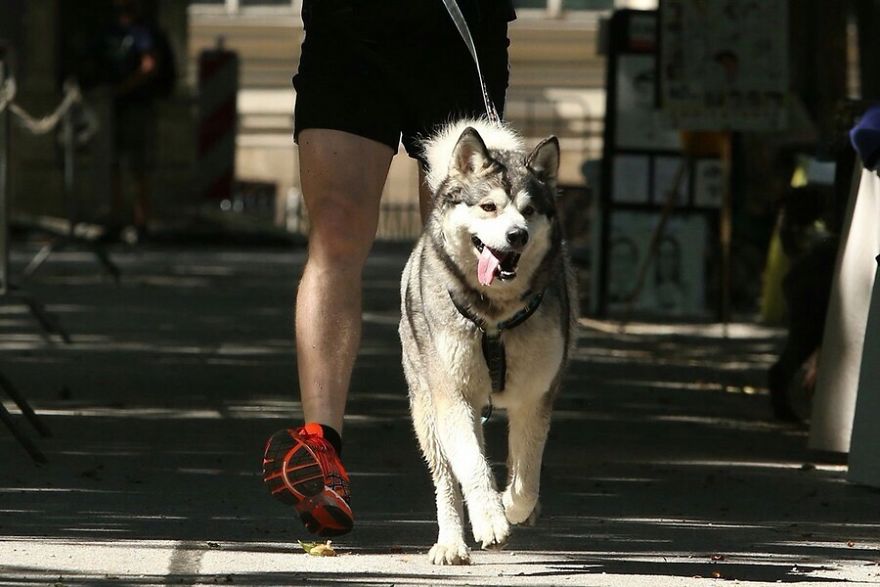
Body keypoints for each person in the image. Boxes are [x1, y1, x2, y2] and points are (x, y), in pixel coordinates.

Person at [261, 0, 515, 537]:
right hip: (352, 29)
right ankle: (319, 451)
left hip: (458, 25)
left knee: (457, 250)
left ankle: (463, 460)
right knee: (334, 230)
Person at [98, 0, 174, 242]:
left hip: (136, 106)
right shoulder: (113, 29)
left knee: (136, 166)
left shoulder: (141, 31)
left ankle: (139, 222)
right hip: (117, 106)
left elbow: (149, 65)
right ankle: (117, 219)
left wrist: (123, 88)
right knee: (115, 165)